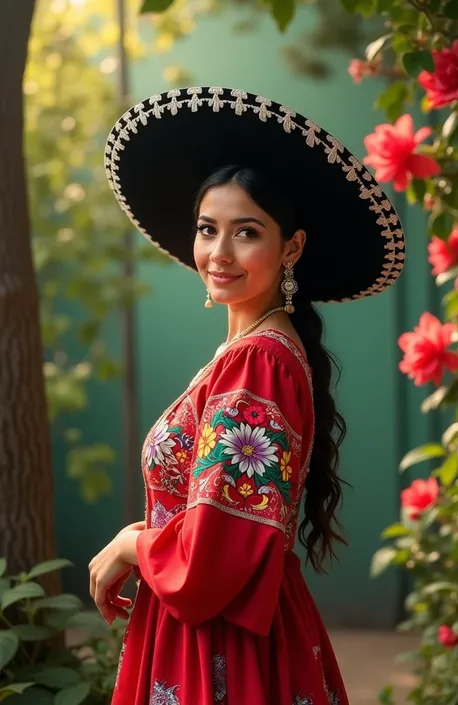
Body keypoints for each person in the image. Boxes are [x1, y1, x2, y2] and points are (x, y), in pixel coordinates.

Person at [90, 87, 405, 705]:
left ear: (291, 247)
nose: (219, 253)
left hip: (219, 643)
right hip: (219, 628)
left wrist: (132, 540)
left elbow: (214, 555)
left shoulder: (258, 362)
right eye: (208, 229)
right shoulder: (258, 353)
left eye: (247, 232)